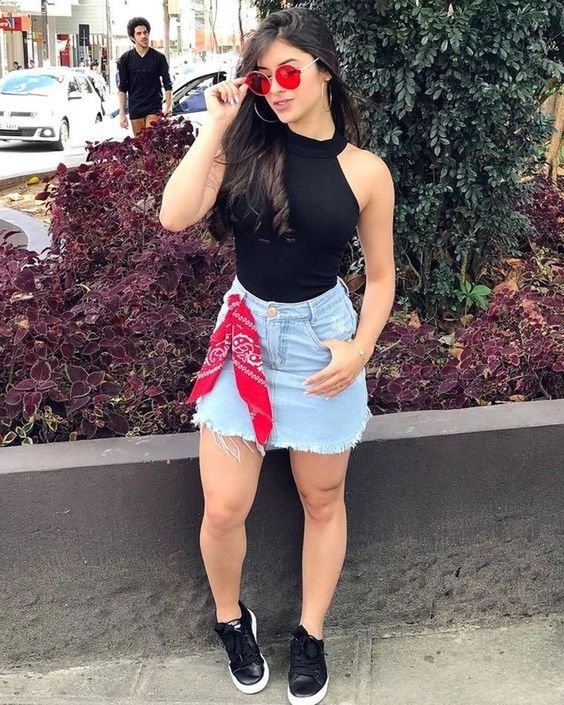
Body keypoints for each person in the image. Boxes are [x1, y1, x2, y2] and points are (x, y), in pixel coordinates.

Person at [160, 7, 395, 705]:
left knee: (323, 499)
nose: (276, 89)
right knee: (224, 507)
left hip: (322, 344)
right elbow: (175, 214)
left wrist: (360, 350)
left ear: (325, 71)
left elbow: (382, 277)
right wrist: (214, 127)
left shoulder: (365, 172)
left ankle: (310, 634)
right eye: (262, 79)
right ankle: (232, 620)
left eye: (289, 73)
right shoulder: (244, 148)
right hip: (245, 338)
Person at [117, 16, 172, 137]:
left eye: (145, 32)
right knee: (141, 145)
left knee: (152, 141)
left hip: (154, 108)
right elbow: (122, 88)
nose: (143, 36)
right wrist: (122, 113)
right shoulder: (125, 59)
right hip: (135, 109)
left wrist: (168, 106)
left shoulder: (159, 58)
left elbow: (167, 84)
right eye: (139, 33)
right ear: (132, 37)